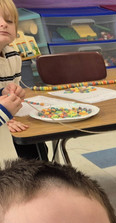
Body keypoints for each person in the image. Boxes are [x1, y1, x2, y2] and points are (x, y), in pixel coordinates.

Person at [0, 0, 45, 159]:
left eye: (9, 21)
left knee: (34, 144)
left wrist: (7, 93)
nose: (4, 24)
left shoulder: (13, 55)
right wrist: (4, 112)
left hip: (5, 121)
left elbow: (10, 100)